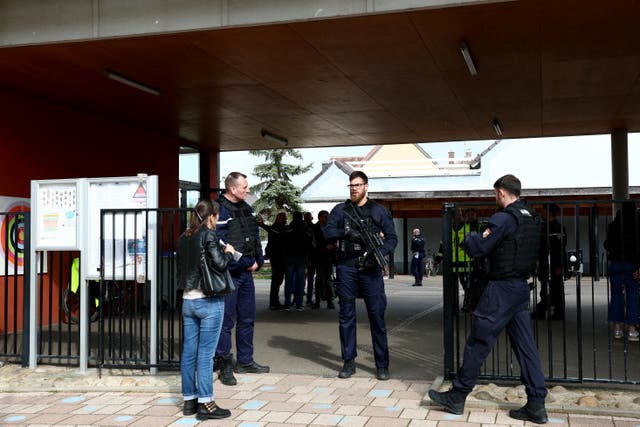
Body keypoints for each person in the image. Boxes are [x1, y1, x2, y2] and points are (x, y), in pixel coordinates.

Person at [429, 174, 548, 424]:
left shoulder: (504, 218)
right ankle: (537, 404)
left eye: (495, 194)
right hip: (520, 289)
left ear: (502, 192)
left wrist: (471, 238)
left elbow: (478, 248)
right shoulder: (532, 217)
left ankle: (458, 396)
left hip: (501, 290)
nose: (495, 198)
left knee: (479, 341)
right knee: (526, 347)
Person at [324, 171, 398, 381]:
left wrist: (379, 254)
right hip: (346, 266)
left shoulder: (379, 211)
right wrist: (346, 233)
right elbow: (327, 232)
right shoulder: (341, 210)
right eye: (351, 185)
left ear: (366, 186)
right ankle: (348, 362)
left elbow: (392, 238)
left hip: (370, 269)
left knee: (377, 316)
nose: (354, 188)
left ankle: (382, 365)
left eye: (358, 185)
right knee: (346, 315)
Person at [177, 199, 233, 420]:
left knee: (189, 352)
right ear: (211, 216)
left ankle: (189, 401)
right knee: (206, 354)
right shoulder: (208, 234)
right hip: (208, 301)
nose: (217, 221)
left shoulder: (184, 237)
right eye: (217, 217)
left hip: (188, 300)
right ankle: (206, 403)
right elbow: (220, 264)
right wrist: (228, 251)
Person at [214, 172, 269, 386]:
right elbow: (222, 247)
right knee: (226, 322)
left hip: (246, 275)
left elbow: (255, 237)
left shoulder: (246, 208)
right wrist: (247, 263)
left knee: (247, 319)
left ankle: (245, 361)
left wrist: (259, 261)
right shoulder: (219, 210)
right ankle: (224, 365)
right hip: (230, 275)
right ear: (232, 188)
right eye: (244, 187)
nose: (248, 190)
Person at [604, 201, 639, 341]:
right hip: (632, 264)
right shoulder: (637, 223)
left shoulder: (613, 224)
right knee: (633, 295)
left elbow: (607, 244)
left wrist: (614, 252)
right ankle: (631, 330)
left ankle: (617, 329)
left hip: (616, 263)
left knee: (616, 294)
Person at [534, 204, 568, 320]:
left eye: (543, 211)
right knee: (544, 288)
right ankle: (542, 309)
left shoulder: (558, 228)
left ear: (550, 213)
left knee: (557, 288)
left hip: (554, 263)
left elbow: (560, 248)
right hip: (543, 262)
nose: (541, 213)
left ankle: (559, 312)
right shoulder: (542, 227)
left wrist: (559, 265)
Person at [283, 211, 313, 311]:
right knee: (300, 282)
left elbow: (283, 243)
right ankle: (299, 304)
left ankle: (287, 304)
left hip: (290, 257)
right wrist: (308, 258)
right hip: (302, 258)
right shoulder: (306, 229)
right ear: (302, 218)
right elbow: (310, 244)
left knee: (288, 281)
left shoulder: (288, 228)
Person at [260, 211, 288, 310]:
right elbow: (272, 240)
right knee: (277, 279)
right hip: (277, 257)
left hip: (278, 256)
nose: (284, 219)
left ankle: (274, 301)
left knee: (277, 279)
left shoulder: (276, 228)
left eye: (284, 218)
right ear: (278, 219)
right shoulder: (279, 229)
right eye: (282, 218)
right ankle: (274, 301)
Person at [312, 210, 336, 309]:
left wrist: (333, 245)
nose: (327, 219)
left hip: (329, 257)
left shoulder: (330, 228)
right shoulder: (314, 228)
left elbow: (335, 239)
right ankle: (317, 301)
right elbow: (313, 243)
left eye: (328, 217)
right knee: (319, 280)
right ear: (320, 218)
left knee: (328, 280)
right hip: (319, 257)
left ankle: (329, 301)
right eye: (325, 217)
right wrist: (325, 246)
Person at [303, 211, 317, 306]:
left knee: (304, 278)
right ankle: (308, 298)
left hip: (306, 256)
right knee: (309, 279)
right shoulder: (315, 228)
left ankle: (301, 298)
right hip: (310, 256)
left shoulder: (304, 228)